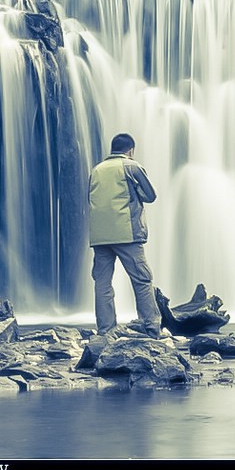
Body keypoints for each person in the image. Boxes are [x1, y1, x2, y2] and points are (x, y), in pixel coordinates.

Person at [87, 132, 164, 338]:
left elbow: (90, 198)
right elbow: (151, 195)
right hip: (127, 233)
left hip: (100, 236)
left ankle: (106, 330)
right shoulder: (132, 166)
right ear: (130, 150)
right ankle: (151, 327)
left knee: (102, 283)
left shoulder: (96, 170)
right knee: (142, 279)